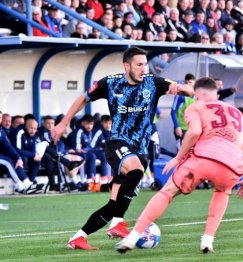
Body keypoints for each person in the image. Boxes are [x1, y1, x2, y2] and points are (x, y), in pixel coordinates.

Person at [51, 46, 193, 250]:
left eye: (145, 64)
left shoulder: (154, 82)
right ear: (127, 66)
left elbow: (189, 90)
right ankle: (117, 224)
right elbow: (83, 98)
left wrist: (179, 89)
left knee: (113, 204)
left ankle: (78, 238)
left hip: (140, 150)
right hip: (118, 142)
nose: (144, 68)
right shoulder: (110, 83)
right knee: (136, 171)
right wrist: (63, 123)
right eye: (139, 64)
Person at [115, 77, 243, 254]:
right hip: (231, 166)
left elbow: (194, 131)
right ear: (216, 94)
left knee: (167, 192)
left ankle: (133, 236)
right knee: (222, 191)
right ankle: (207, 240)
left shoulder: (196, 106)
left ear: (197, 94)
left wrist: (178, 158)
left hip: (202, 158)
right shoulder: (237, 113)